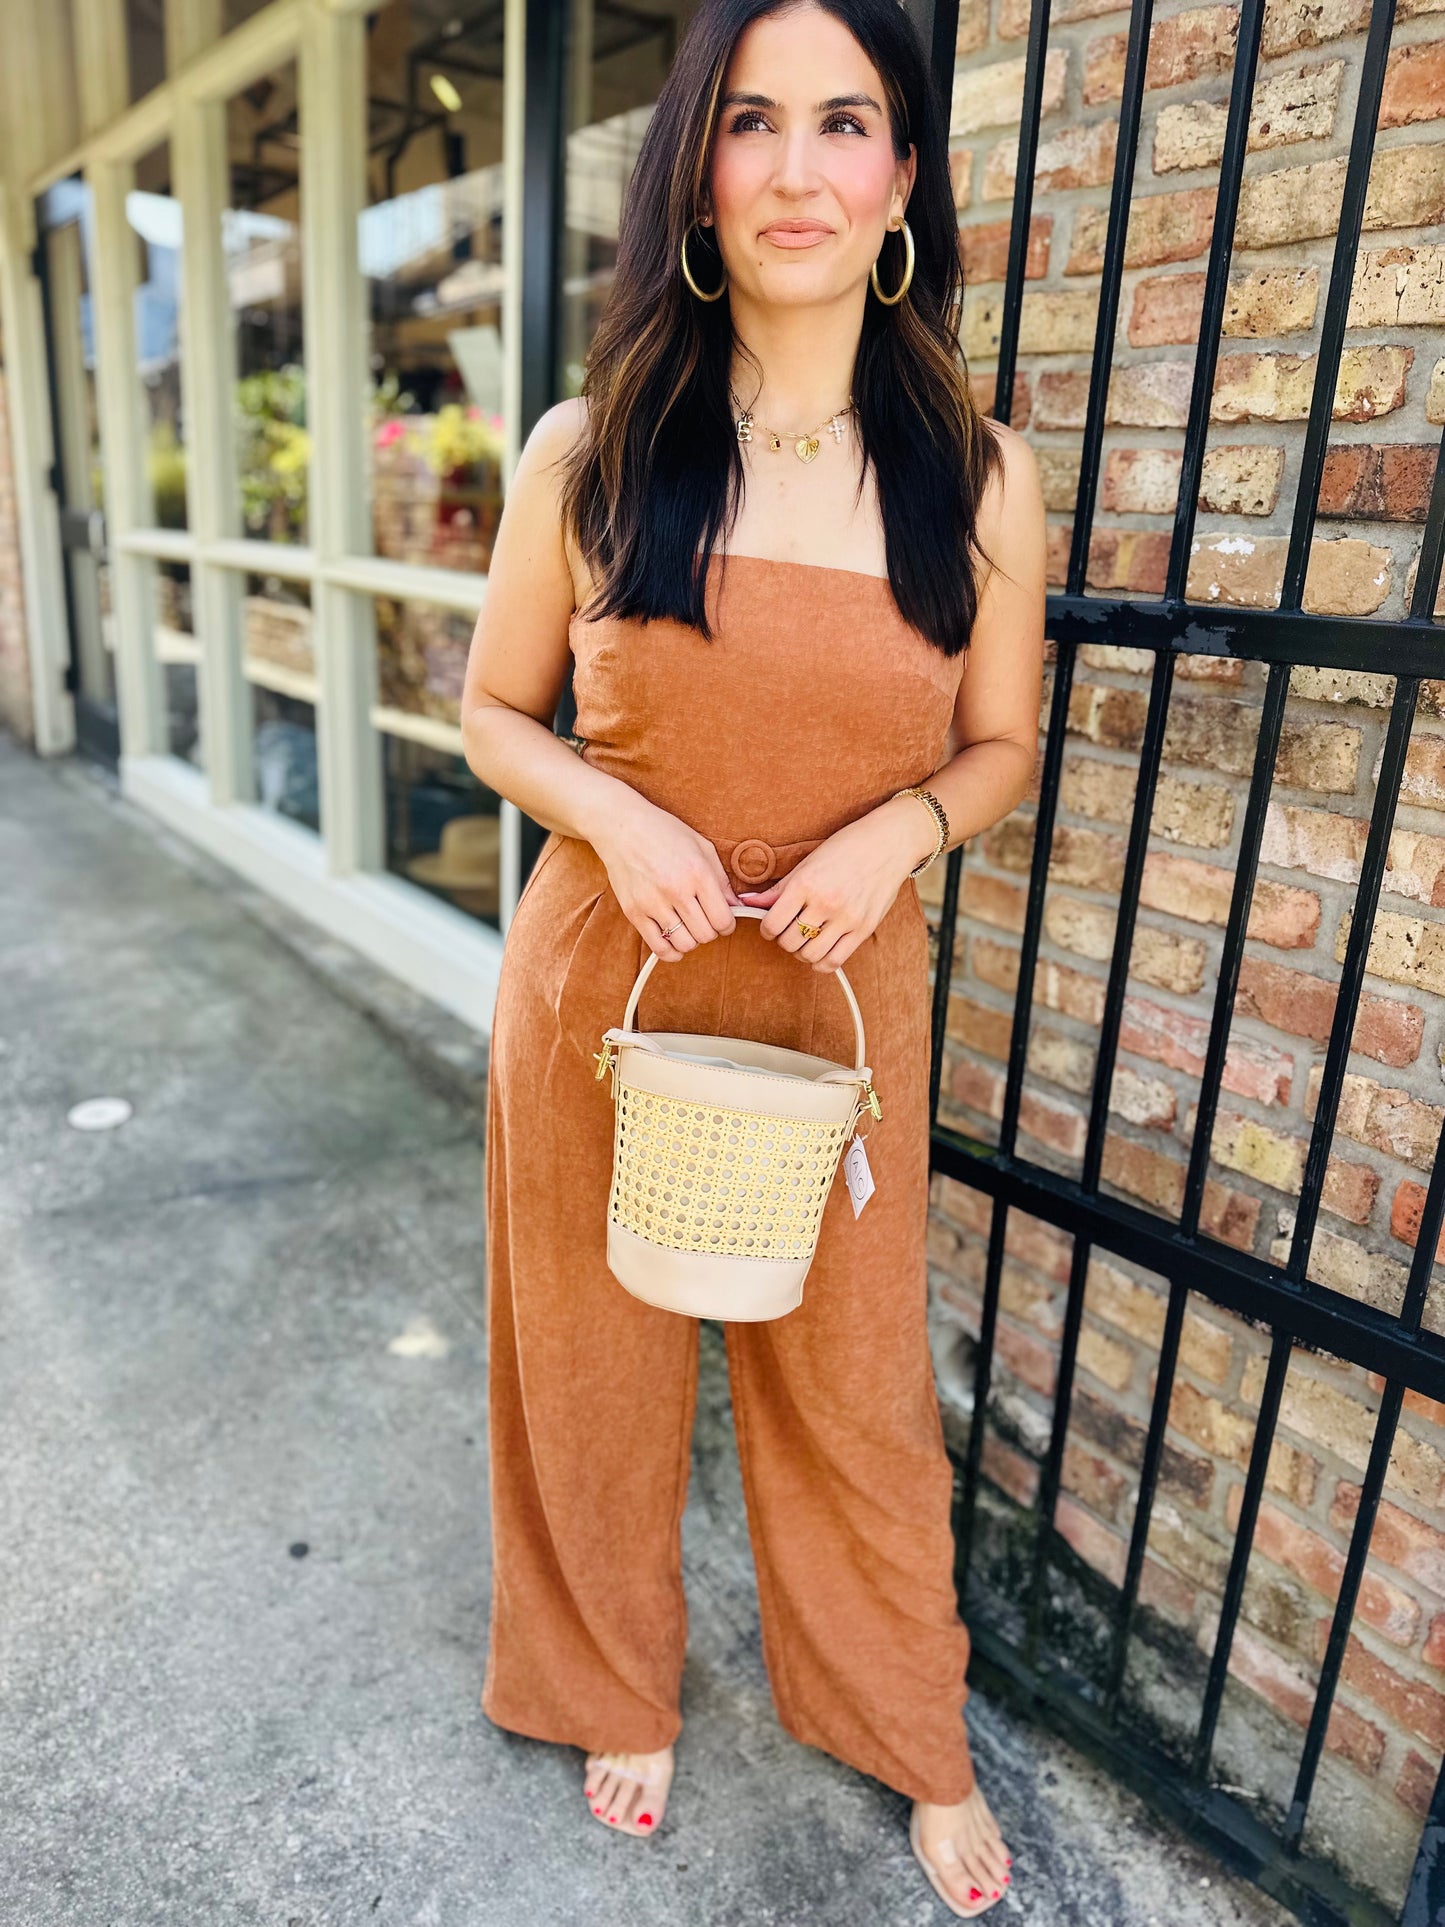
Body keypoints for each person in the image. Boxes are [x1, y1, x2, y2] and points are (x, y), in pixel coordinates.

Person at [460, 0, 1045, 1914]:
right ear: (695, 175)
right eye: (751, 121)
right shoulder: (590, 447)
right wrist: (614, 816)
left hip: (836, 999)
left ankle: (907, 1726)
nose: (797, 168)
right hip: (600, 990)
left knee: (853, 1386)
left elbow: (1001, 744)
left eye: (845, 123)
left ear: (902, 177)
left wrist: (898, 832)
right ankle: (606, 1681)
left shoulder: (976, 474)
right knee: (589, 1363)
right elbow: (492, 713)